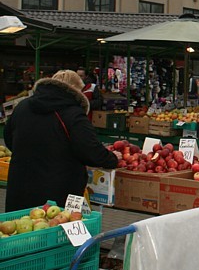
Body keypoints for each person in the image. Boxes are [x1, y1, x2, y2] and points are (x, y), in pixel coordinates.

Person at [3, 70, 119, 211]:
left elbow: (9, 138)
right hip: (58, 193)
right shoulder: (73, 114)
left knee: (20, 229)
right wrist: (112, 159)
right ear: (76, 90)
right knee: (54, 229)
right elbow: (90, 150)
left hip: (20, 187)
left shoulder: (22, 107)